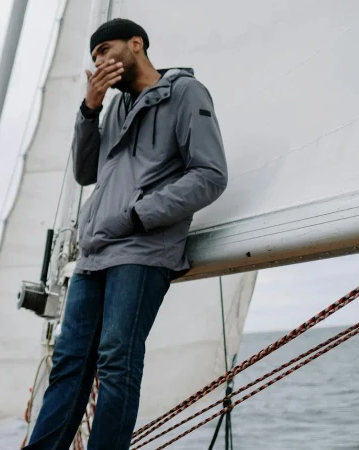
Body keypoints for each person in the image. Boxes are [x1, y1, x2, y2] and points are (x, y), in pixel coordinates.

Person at [25, 18, 228, 449]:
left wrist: (137, 216)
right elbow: (85, 173)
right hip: (95, 253)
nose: (98, 58)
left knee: (116, 362)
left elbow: (210, 175)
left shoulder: (186, 93)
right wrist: (89, 109)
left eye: (105, 49)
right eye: (94, 54)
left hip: (143, 248)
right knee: (69, 364)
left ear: (136, 45)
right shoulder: (114, 107)